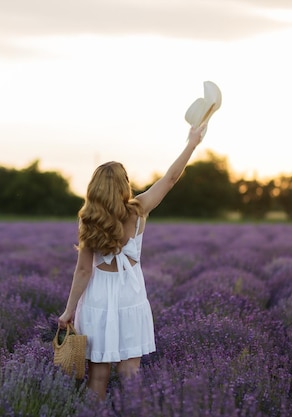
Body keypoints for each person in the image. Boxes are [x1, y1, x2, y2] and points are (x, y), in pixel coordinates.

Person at [57, 122, 209, 400]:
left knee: (98, 375)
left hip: (97, 300)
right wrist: (192, 143)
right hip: (131, 296)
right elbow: (171, 178)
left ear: (95, 188)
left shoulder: (88, 219)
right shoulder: (139, 210)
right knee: (130, 373)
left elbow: (82, 271)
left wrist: (68, 311)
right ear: (123, 184)